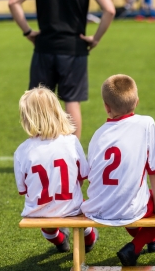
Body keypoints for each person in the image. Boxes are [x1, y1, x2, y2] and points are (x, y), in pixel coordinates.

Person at [80, 74, 155, 266]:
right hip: (129, 208)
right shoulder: (146, 123)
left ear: (106, 107)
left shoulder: (98, 134)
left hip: (98, 207)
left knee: (132, 197)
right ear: (137, 101)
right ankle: (137, 244)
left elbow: (91, 175)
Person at [8, 0, 115, 140]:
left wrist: (28, 32)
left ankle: (39, 155)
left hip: (45, 47)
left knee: (38, 102)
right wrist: (96, 38)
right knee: (72, 102)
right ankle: (72, 156)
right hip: (74, 48)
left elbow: (13, 1)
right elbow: (109, 9)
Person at [14, 86, 98, 254]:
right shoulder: (71, 141)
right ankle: (89, 240)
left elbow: (23, 189)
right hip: (71, 206)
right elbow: (83, 176)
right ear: (57, 111)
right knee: (83, 220)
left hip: (38, 212)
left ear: (27, 117)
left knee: (47, 225)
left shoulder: (22, 151)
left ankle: (60, 241)